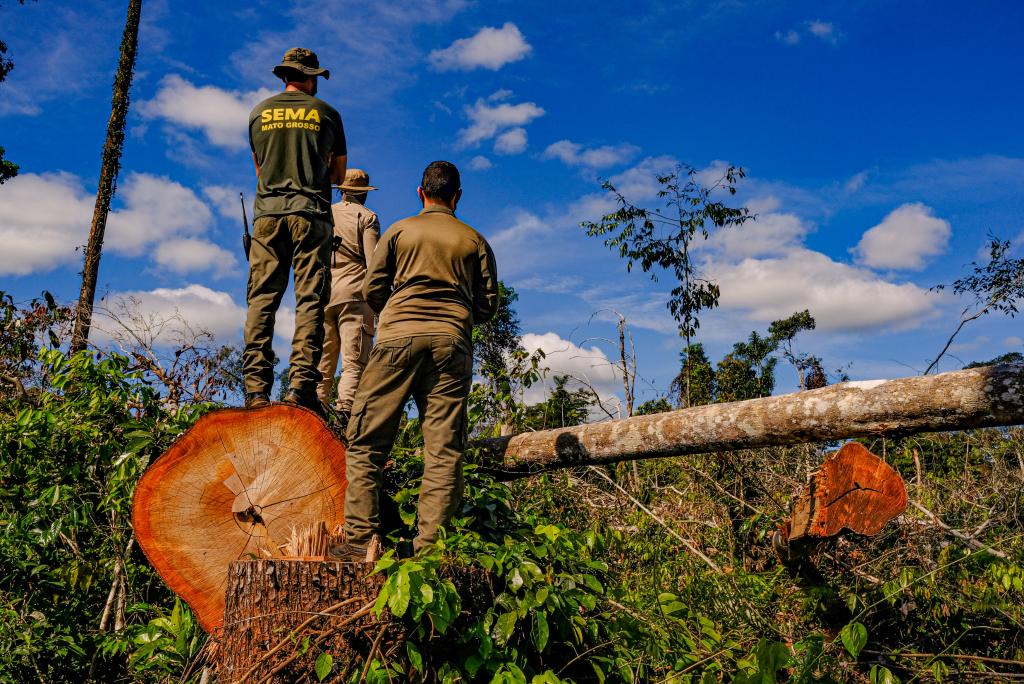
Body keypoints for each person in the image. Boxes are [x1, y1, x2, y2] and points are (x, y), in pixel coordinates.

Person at [332, 161, 499, 559]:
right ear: (456, 197)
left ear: (420, 192)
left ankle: (359, 542)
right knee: (442, 449)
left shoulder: (398, 230)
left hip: (396, 340)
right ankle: (429, 551)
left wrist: (397, 311)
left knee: (368, 441)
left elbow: (374, 287)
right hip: (451, 343)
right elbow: (488, 305)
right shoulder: (474, 239)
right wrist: (454, 315)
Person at [242, 47, 346, 416]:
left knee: (262, 301)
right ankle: (300, 388)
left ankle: (255, 391)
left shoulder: (258, 114)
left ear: (286, 75)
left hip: (267, 217)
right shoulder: (327, 114)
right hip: (311, 214)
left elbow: (260, 169)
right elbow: (338, 176)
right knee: (311, 300)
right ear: (310, 76)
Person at [317, 169, 381, 427]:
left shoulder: (324, 213)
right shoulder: (367, 217)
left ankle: (315, 414)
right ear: (363, 194)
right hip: (354, 294)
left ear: (342, 190)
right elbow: (374, 262)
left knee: (323, 363)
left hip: (323, 294)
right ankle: (344, 418)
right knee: (354, 362)